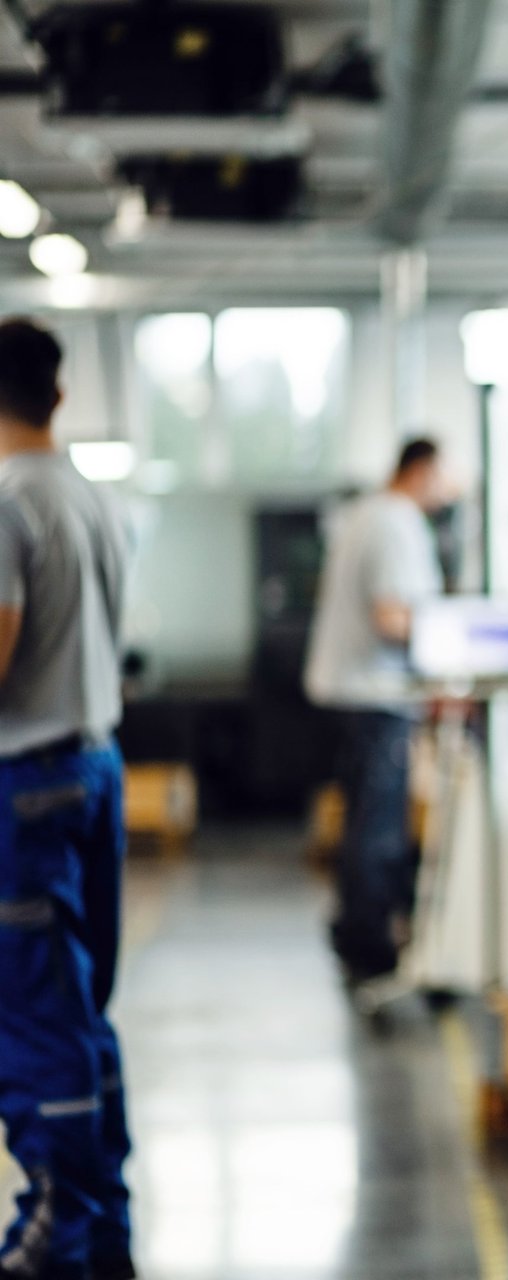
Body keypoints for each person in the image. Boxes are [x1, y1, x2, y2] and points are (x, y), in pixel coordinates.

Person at [0, 318, 134, 1280]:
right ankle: (104, 1221)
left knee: (33, 1008)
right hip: (93, 765)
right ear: (57, 395)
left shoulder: (7, 500)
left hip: (26, 782)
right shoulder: (89, 495)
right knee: (81, 1005)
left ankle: (57, 1231)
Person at [304, 438, 447, 1004]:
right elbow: (391, 616)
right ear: (421, 470)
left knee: (367, 814)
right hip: (374, 692)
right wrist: (457, 639)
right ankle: (368, 943)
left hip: (358, 690)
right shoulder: (392, 523)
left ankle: (355, 930)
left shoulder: (368, 514)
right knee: (378, 825)